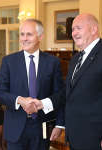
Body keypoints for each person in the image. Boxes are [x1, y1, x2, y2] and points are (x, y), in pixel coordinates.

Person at [31, 14, 102, 150]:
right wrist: (43, 103)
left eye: (78, 28)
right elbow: (67, 93)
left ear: (93, 29)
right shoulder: (75, 59)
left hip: (95, 137)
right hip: (75, 135)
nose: (73, 33)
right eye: (72, 29)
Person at [0, 19, 65, 150]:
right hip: (15, 128)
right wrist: (20, 100)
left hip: (42, 128)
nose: (24, 39)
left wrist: (60, 124)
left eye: (29, 34)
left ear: (40, 37)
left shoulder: (53, 62)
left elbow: (60, 95)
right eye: (22, 34)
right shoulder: (8, 61)